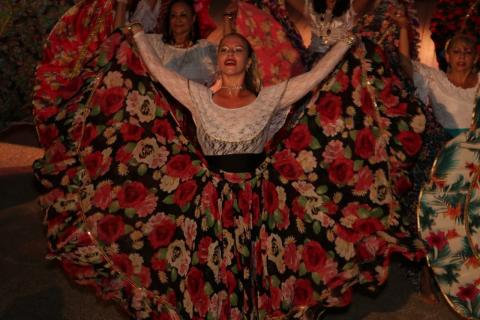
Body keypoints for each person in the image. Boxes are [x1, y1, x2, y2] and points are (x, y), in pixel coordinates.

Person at [394, 9, 479, 138]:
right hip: (448, 149)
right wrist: (403, 28)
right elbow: (405, 63)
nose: (462, 57)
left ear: (476, 58)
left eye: (467, 52)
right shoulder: (434, 79)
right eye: (456, 52)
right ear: (447, 56)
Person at [286, 0, 370, 54]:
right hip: (317, 58)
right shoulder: (310, 8)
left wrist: (348, 42)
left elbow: (350, 39)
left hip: (342, 53)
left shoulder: (349, 7)